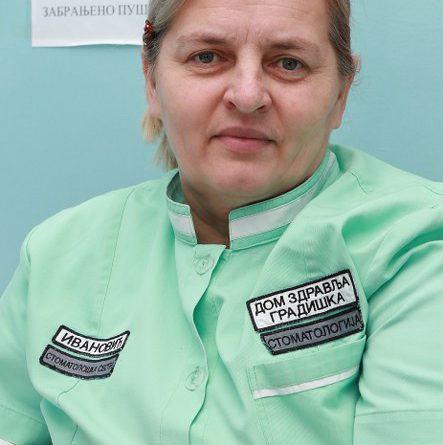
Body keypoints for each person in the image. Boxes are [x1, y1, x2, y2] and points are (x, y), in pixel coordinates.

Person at [1, 0, 443, 443]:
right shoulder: (58, 255)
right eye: (207, 57)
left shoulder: (417, 243)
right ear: (151, 79)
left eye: (288, 63)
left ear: (340, 93)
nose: (248, 96)